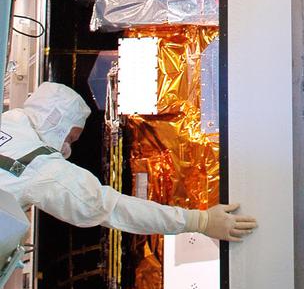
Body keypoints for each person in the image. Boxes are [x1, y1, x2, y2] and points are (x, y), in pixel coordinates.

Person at [0, 82, 257, 241]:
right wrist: (199, 222)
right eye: (71, 137)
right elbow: (112, 208)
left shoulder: (7, 122)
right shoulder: (43, 168)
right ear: (56, 120)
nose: (68, 147)